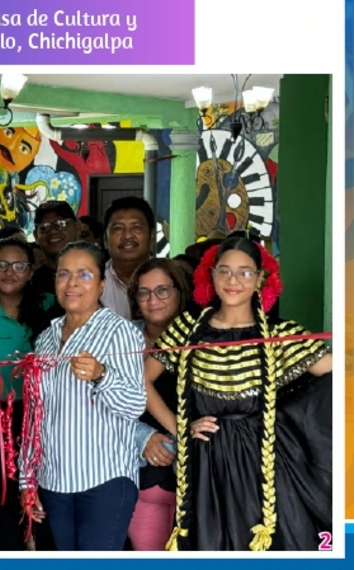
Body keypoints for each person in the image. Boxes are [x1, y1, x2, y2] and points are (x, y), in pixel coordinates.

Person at [145, 235, 333, 550]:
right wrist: (180, 426)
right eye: (225, 271)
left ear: (260, 279)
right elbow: (143, 380)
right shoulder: (187, 329)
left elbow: (336, 374)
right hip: (206, 461)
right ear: (211, 275)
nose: (234, 281)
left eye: (245, 272)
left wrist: (287, 419)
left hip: (263, 461)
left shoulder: (279, 334)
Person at [19, 241, 146, 551]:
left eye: (84, 274)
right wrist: (27, 479)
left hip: (105, 478)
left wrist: (101, 374)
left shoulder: (120, 332)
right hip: (53, 479)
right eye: (64, 274)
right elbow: (35, 414)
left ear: (101, 284)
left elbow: (134, 405)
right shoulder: (46, 338)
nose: (72, 283)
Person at [0, 238, 53, 551]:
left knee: (44, 501)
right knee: (0, 503)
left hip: (43, 419)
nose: (9, 272)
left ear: (31, 271)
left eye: (19, 265)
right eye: (1, 265)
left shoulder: (51, 307)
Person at [126, 259, 195, 551]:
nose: (153, 300)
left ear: (180, 292)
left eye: (163, 290)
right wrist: (142, 437)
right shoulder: (121, 339)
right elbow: (98, 405)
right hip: (142, 472)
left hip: (196, 475)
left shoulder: (203, 336)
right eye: (144, 292)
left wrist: (182, 437)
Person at [101, 197, 155, 320]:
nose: (127, 236)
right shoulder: (92, 284)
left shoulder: (171, 281)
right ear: (105, 240)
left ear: (152, 235)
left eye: (136, 227)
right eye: (118, 228)